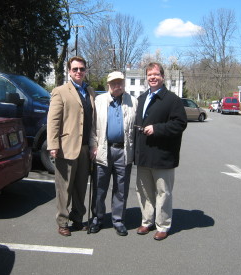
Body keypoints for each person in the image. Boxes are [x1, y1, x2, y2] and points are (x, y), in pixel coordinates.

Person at [134, 62, 187, 241]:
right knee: (144, 191)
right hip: (143, 155)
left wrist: (157, 128)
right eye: (149, 74)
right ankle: (146, 221)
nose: (153, 77)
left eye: (156, 74)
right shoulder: (141, 98)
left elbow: (180, 124)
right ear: (146, 77)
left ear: (162, 77)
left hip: (163, 155)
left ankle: (163, 225)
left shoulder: (172, 100)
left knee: (163, 193)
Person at [47, 56, 96, 237]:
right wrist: (53, 144)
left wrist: (93, 145)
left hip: (84, 148)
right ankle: (62, 222)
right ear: (69, 71)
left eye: (82, 69)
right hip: (66, 147)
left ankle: (77, 218)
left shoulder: (90, 91)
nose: (78, 72)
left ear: (85, 71)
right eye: (75, 69)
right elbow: (53, 120)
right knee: (64, 188)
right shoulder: (60, 91)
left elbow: (93, 119)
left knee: (80, 187)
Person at [89, 71, 138, 236]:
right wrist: (92, 146)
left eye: (120, 83)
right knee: (99, 187)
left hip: (123, 151)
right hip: (103, 149)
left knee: (121, 189)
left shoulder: (133, 101)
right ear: (108, 84)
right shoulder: (99, 101)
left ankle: (118, 221)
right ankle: (97, 219)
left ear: (124, 84)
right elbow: (92, 127)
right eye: (114, 83)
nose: (118, 86)